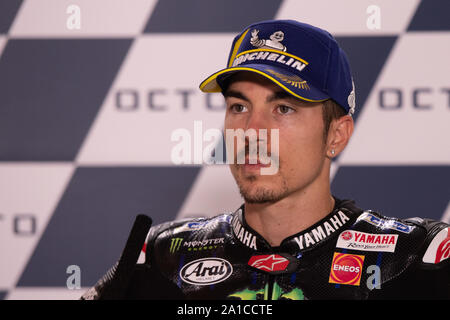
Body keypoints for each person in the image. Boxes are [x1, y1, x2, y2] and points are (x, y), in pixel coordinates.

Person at [81, 19, 450, 300]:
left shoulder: (416, 260)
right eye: (239, 106)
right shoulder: (160, 258)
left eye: (284, 108)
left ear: (336, 134)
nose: (252, 130)